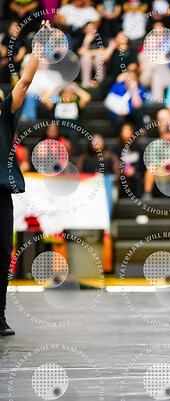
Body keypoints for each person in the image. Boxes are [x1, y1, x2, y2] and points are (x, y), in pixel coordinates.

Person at [0, 20, 51, 336]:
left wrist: (38, 49)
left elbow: (25, 81)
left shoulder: (4, 115)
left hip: (0, 194)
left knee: (2, 253)